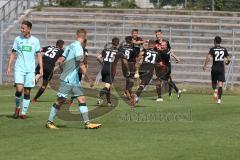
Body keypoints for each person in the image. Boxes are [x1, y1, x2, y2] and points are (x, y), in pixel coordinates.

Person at [45, 29, 101, 129]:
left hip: (73, 80)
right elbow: (81, 64)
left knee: (82, 99)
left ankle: (87, 123)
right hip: (68, 79)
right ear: (84, 38)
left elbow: (60, 59)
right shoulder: (79, 48)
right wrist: (89, 79)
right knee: (60, 100)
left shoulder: (70, 46)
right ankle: (49, 122)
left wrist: (61, 68)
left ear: (77, 36)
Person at [6, 20, 43, 119]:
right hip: (19, 69)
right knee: (19, 89)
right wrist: (9, 66)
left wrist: (41, 68)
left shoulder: (35, 41)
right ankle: (17, 107)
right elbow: (13, 53)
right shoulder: (18, 39)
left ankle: (23, 113)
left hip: (30, 70)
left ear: (29, 29)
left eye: (23, 28)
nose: (21, 29)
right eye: (21, 28)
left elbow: (39, 55)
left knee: (27, 91)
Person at [97, 37, 126, 106]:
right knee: (107, 86)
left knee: (108, 86)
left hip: (104, 68)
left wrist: (103, 63)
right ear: (118, 43)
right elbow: (125, 58)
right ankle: (99, 95)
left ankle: (109, 102)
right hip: (111, 69)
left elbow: (98, 57)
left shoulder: (106, 49)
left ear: (112, 42)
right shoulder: (119, 51)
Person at [131, 40, 159, 107]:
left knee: (142, 83)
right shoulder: (157, 53)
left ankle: (138, 94)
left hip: (142, 68)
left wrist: (137, 63)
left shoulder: (145, 50)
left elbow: (140, 55)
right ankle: (136, 96)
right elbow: (157, 63)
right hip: (149, 70)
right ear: (154, 45)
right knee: (143, 84)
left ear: (149, 45)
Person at [203, 36, 230, 104]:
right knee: (220, 84)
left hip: (214, 68)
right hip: (221, 68)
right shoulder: (224, 49)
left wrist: (205, 66)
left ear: (215, 41)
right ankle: (219, 100)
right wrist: (227, 63)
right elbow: (228, 59)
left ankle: (215, 90)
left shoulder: (212, 49)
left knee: (214, 82)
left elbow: (208, 57)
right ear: (220, 42)